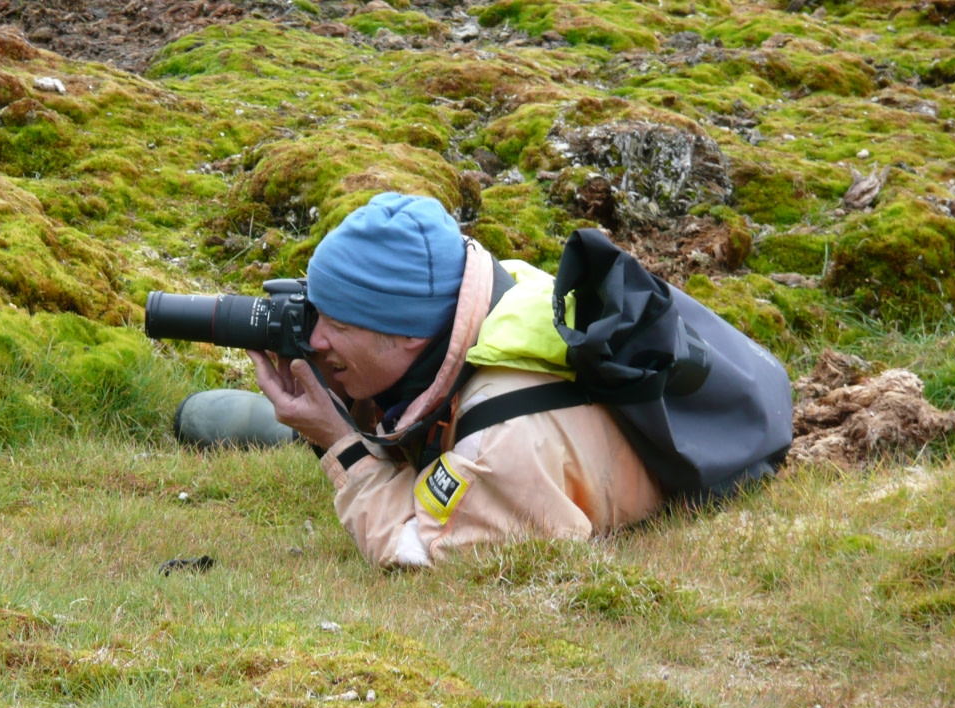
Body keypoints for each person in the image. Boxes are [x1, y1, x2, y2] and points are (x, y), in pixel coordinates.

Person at [240, 191, 665, 568]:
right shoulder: (471, 295)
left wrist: (339, 443)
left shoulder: (496, 438)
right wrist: (341, 392)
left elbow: (422, 551)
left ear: (409, 332)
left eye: (339, 325)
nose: (315, 340)